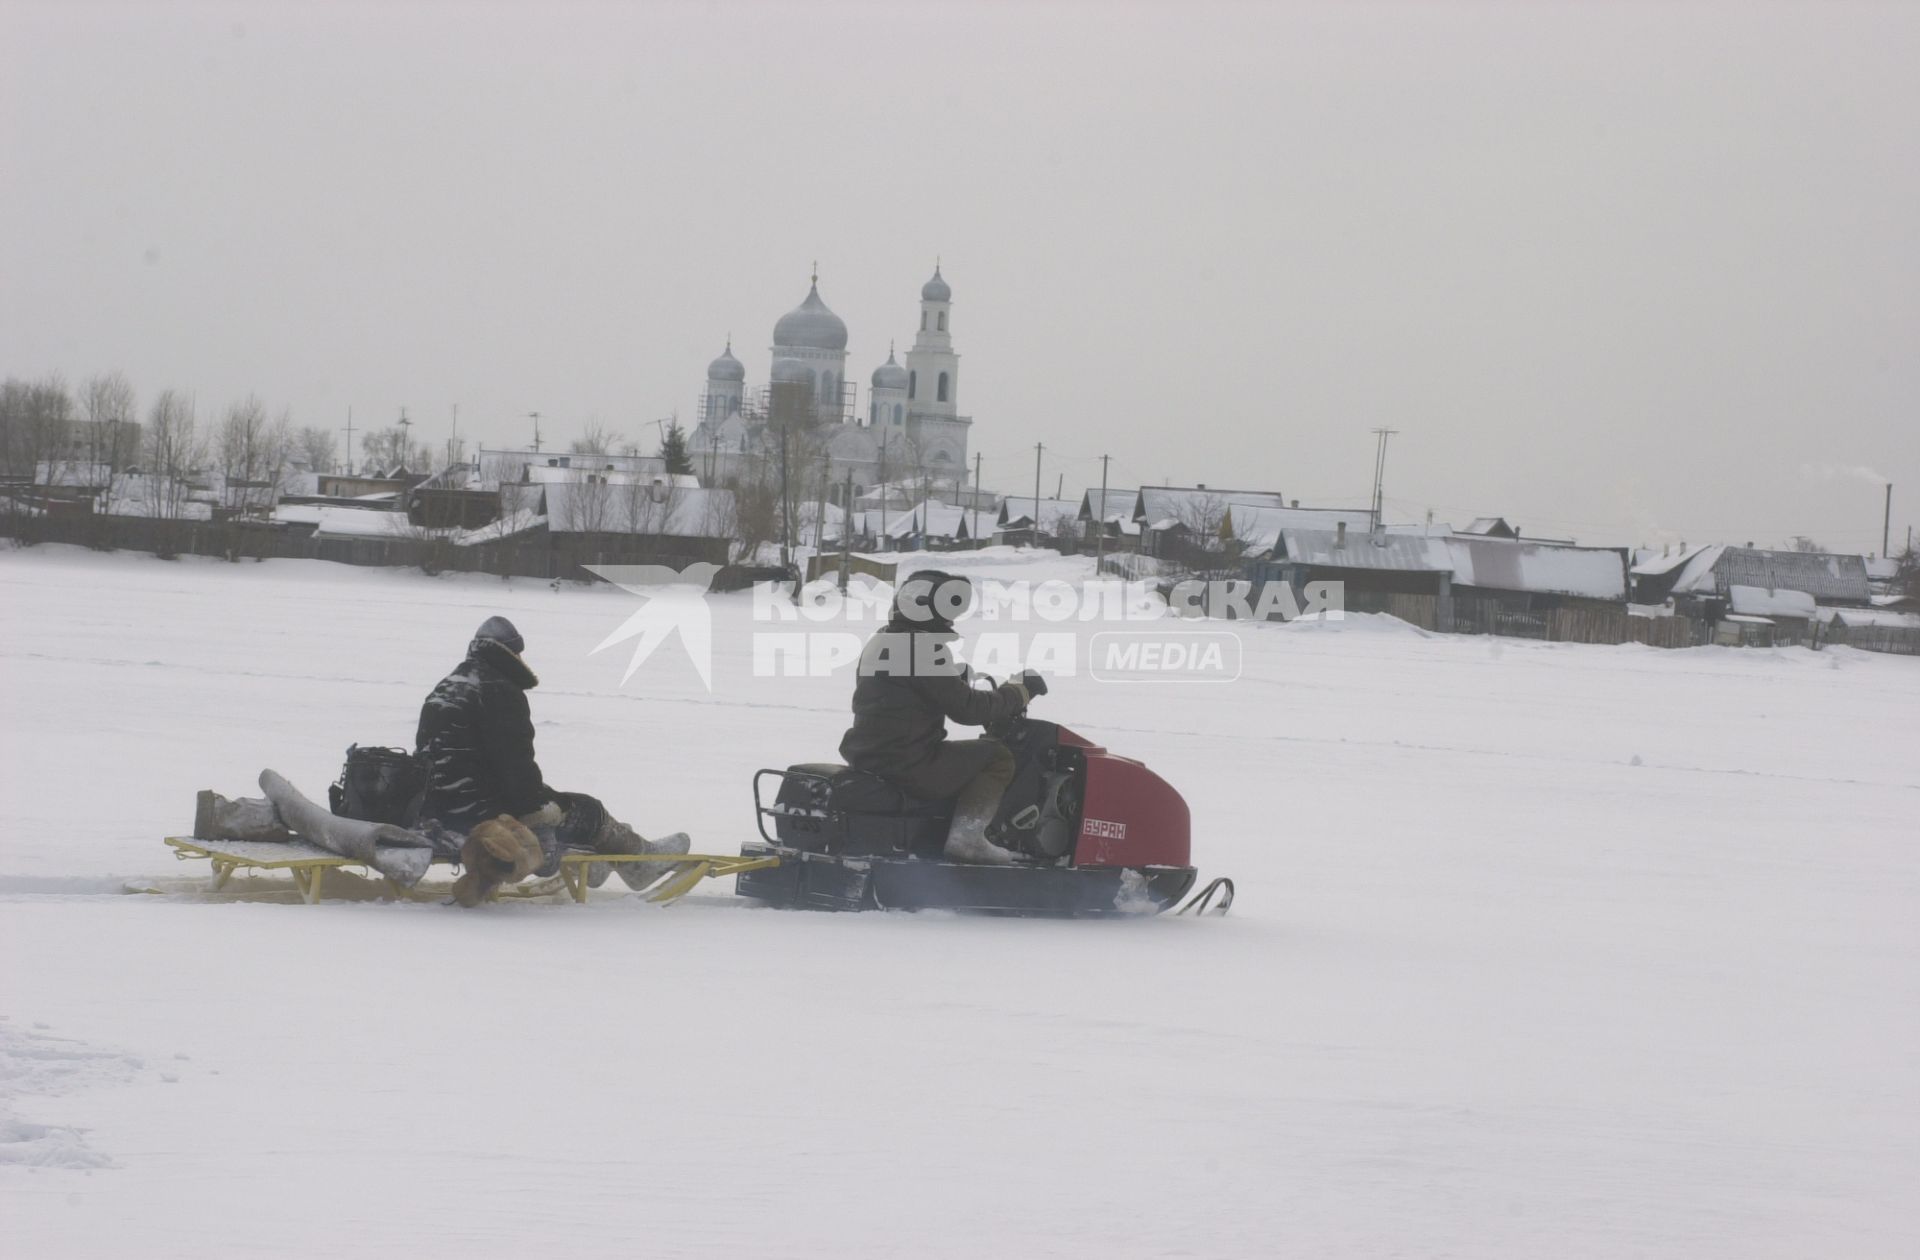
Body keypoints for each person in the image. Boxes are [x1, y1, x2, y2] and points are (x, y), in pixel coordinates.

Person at [416, 616, 688, 903]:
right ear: (511, 653)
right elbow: (516, 768)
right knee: (587, 810)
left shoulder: (445, 688)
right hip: (483, 813)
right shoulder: (499, 690)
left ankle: (601, 861)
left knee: (562, 804)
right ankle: (641, 865)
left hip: (445, 810)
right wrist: (543, 805)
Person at [838, 571, 1040, 864]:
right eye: (948, 611)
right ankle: (968, 839)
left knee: (967, 756)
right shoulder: (922, 648)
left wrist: (954, 679)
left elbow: (903, 689)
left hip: (870, 754)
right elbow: (970, 710)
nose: (951, 620)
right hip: (908, 763)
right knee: (996, 756)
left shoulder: (883, 640)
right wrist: (1019, 691)